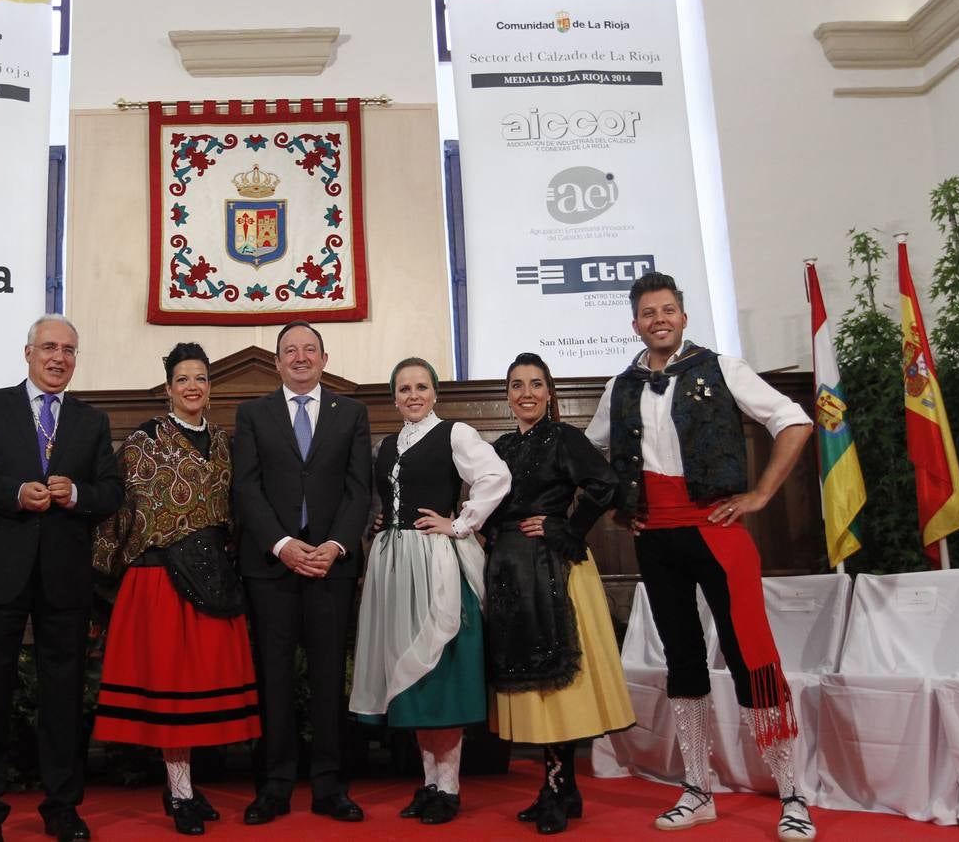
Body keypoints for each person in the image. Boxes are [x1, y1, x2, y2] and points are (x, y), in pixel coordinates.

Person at [586, 272, 816, 841]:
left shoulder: (721, 367)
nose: (658, 319)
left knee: (750, 654)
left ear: (683, 317)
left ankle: (791, 793)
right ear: (635, 323)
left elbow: (794, 420)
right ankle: (698, 790)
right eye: (648, 312)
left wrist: (761, 494)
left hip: (718, 529)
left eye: (667, 310)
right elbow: (590, 455)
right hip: (655, 538)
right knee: (682, 660)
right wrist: (617, 506)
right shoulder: (620, 386)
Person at [0, 315, 124, 842]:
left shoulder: (91, 421)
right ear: (28, 353)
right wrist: (14, 493)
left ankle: (63, 808)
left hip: (64, 577)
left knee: (64, 699)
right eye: (49, 347)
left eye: (68, 350)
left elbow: (111, 492)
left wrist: (78, 495)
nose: (58, 358)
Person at [91, 342, 261, 835]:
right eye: (183, 379)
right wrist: (100, 577)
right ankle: (181, 792)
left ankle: (182, 787)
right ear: (168, 388)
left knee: (200, 692)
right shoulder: (141, 441)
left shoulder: (225, 442)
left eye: (201, 379)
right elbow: (116, 513)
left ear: (210, 388)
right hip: (158, 578)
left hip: (214, 578)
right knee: (171, 692)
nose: (192, 387)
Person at [348, 357, 510, 825]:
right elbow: (380, 499)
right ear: (394, 397)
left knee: (440, 668)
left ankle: (450, 786)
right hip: (394, 566)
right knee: (410, 673)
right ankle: (430, 783)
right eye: (404, 389)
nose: (413, 395)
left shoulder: (454, 434)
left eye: (421, 387)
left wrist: (459, 523)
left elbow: (496, 477)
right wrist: (379, 520)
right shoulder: (386, 445)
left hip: (435, 561)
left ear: (435, 392)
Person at [485, 353, 635, 835]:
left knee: (558, 684)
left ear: (549, 392)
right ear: (507, 396)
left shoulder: (565, 438)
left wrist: (564, 527)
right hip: (511, 573)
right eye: (516, 385)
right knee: (535, 683)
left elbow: (606, 484)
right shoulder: (501, 447)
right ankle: (563, 788)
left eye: (535, 384)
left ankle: (556, 788)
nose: (526, 393)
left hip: (555, 569)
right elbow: (485, 505)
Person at [231, 320, 372, 825]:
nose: (300, 357)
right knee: (274, 679)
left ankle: (330, 785)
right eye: (290, 350)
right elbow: (246, 488)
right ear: (277, 363)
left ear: (324, 359)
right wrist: (283, 545)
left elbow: (360, 489)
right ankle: (275, 785)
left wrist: (334, 546)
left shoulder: (351, 413)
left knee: (330, 678)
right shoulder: (253, 414)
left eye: (309, 349)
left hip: (332, 568)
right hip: (271, 568)